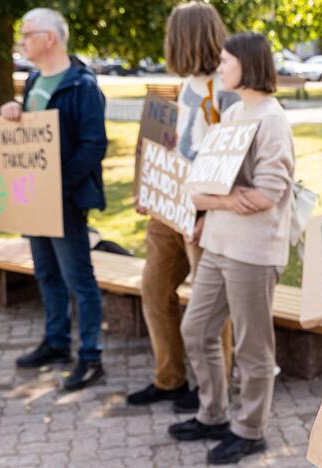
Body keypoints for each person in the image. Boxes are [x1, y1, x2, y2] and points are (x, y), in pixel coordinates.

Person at [168, 32, 294, 466]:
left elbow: (269, 193)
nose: (219, 66)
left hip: (253, 253)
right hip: (218, 242)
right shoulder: (234, 112)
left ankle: (250, 429)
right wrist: (218, 202)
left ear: (248, 64)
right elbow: (197, 187)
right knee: (196, 329)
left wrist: (216, 196)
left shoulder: (271, 119)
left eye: (226, 61)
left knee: (252, 347)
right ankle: (213, 414)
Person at [127, 1, 236, 412]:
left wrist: (207, 212)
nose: (167, 42)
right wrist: (148, 189)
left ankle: (214, 388)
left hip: (202, 213)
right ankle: (169, 378)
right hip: (167, 209)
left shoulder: (226, 89)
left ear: (186, 38)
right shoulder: (187, 85)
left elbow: (229, 157)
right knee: (155, 289)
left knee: (210, 307)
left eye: (172, 34)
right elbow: (172, 148)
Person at [1, 8, 108, 390]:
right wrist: (12, 111)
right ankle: (57, 342)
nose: (23, 41)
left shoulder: (82, 85)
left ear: (50, 37)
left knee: (79, 279)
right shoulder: (33, 81)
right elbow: (29, 133)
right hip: (34, 200)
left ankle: (92, 357)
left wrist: (57, 185)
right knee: (46, 274)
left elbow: (94, 145)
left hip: (62, 201)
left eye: (27, 34)